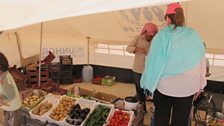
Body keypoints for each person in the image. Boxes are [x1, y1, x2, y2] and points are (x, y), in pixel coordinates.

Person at [140, 3, 206, 126]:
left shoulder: (162, 35)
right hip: (187, 87)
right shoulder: (194, 35)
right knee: (180, 121)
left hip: (165, 87)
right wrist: (201, 85)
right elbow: (201, 60)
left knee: (161, 117)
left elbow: (152, 61)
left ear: (168, 18)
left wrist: (147, 84)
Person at [126, 23, 158, 112]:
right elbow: (128, 48)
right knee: (139, 91)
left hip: (150, 70)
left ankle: (156, 109)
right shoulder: (137, 38)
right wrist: (137, 49)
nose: (151, 36)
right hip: (138, 69)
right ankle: (142, 109)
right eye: (150, 34)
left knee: (152, 89)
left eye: (153, 34)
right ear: (145, 31)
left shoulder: (156, 40)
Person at [0, 52, 22, 126]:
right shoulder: (2, 75)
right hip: (9, 107)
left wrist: (1, 100)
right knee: (7, 122)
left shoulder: (5, 77)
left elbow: (10, 95)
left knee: (12, 123)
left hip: (13, 108)